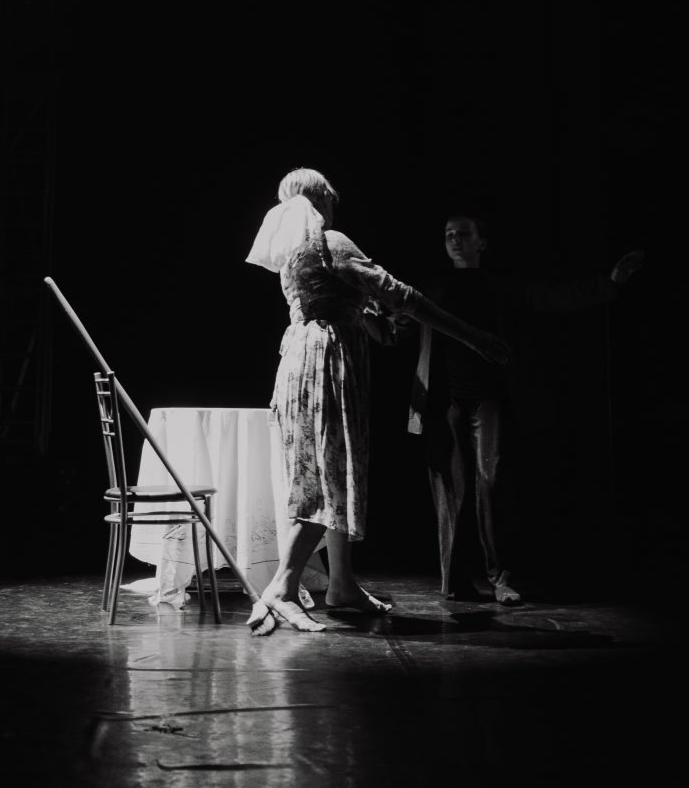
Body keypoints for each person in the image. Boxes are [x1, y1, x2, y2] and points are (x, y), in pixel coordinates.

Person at [244, 168, 511, 635]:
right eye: (330, 200)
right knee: (326, 475)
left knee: (330, 471)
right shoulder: (330, 241)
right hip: (326, 363)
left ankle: (342, 584)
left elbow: (359, 312)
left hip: (302, 359)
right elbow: (402, 296)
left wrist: (366, 312)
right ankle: (282, 589)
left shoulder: (292, 252)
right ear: (321, 201)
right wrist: (471, 336)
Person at [407, 212, 645, 605]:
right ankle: (454, 581)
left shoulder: (502, 287)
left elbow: (554, 297)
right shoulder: (430, 289)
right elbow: (395, 322)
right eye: (449, 234)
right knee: (452, 492)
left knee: (493, 482)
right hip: (443, 402)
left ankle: (500, 578)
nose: (455, 239)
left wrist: (611, 282)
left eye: (464, 233)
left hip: (489, 398)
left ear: (482, 242)